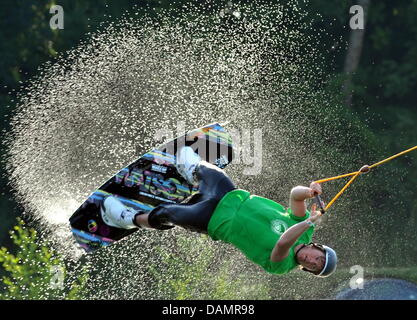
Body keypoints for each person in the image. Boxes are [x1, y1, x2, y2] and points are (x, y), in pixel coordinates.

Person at [101, 146, 337, 277]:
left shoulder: (282, 266)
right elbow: (295, 195)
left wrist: (308, 223)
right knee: (207, 169)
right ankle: (190, 170)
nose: (311, 260)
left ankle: (127, 219)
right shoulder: (304, 223)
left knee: (168, 213)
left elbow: (283, 244)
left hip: (213, 221)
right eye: (317, 258)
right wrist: (308, 193)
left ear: (306, 269)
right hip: (230, 195)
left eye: (313, 266)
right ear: (317, 247)